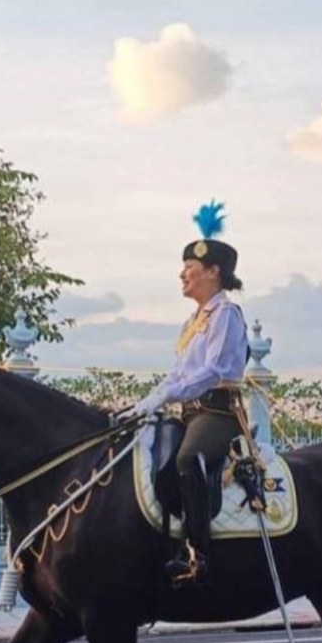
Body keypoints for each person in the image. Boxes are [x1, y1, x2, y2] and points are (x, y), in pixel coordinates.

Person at [126, 203, 249, 587]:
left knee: (187, 458)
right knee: (153, 461)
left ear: (213, 272)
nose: (182, 275)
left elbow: (212, 371)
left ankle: (201, 556)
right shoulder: (191, 322)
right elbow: (178, 374)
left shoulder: (226, 315)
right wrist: (148, 401)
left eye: (190, 269)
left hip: (217, 412)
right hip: (188, 411)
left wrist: (167, 395)